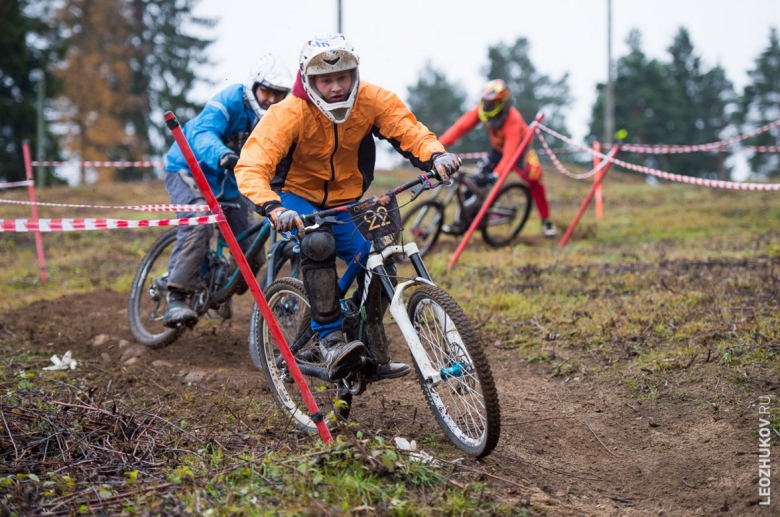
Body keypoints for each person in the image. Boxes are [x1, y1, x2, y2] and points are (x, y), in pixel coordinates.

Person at [235, 34, 461, 380]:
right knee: (317, 243)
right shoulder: (289, 112)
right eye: (327, 80)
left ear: (355, 74)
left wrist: (436, 155)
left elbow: (407, 129)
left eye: (343, 77)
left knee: (383, 249)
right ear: (310, 80)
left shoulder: (372, 99)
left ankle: (369, 337)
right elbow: (252, 164)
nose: (337, 87)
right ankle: (329, 341)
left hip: (349, 198)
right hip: (297, 197)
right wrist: (274, 207)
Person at [162, 53, 293, 327]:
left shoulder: (277, 118)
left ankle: (217, 287)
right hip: (189, 170)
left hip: (231, 184)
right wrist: (223, 154)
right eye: (266, 91)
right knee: (199, 227)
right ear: (254, 86)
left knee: (253, 253)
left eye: (278, 94)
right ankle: (175, 296)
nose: (270, 99)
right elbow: (203, 132)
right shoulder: (230, 99)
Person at [438, 79, 557, 238]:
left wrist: (497, 174)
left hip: (520, 151)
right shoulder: (480, 111)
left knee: (535, 179)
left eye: (492, 103)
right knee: (473, 181)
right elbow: (460, 128)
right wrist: (437, 146)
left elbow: (510, 151)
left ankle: (546, 220)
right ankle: (462, 220)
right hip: (498, 150)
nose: (487, 107)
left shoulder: (512, 118)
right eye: (485, 102)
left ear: (503, 102)